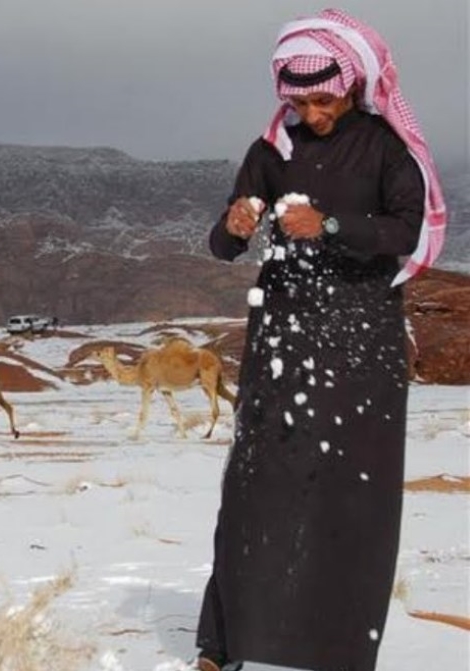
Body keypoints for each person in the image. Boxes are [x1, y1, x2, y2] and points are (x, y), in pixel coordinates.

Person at [196, 9, 446, 671]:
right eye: (298, 99)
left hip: (363, 336)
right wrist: (235, 224)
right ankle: (222, 643)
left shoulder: (387, 150)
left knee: (350, 492)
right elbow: (222, 246)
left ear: (353, 83)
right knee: (255, 485)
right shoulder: (270, 152)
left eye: (324, 97)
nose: (312, 110)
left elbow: (405, 232)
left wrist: (329, 225)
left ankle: (337, 649)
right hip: (282, 331)